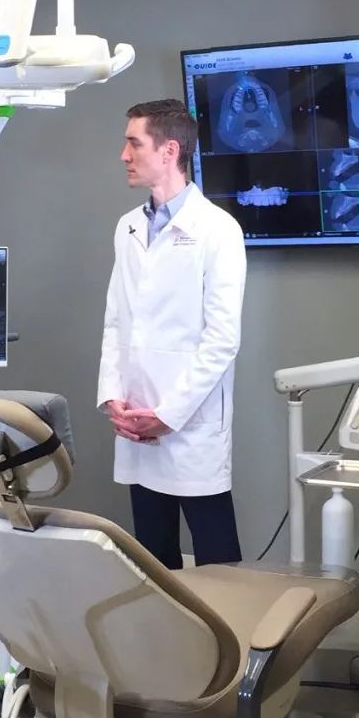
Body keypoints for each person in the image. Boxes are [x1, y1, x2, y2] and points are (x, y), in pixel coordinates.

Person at [98, 99, 248, 569]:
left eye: (133, 142)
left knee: (217, 559)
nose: (124, 154)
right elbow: (115, 321)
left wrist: (169, 413)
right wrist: (113, 399)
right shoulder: (127, 228)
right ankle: (163, 640)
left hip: (189, 421)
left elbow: (222, 338)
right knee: (154, 555)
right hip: (136, 419)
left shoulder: (218, 230)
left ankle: (236, 640)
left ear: (169, 151)